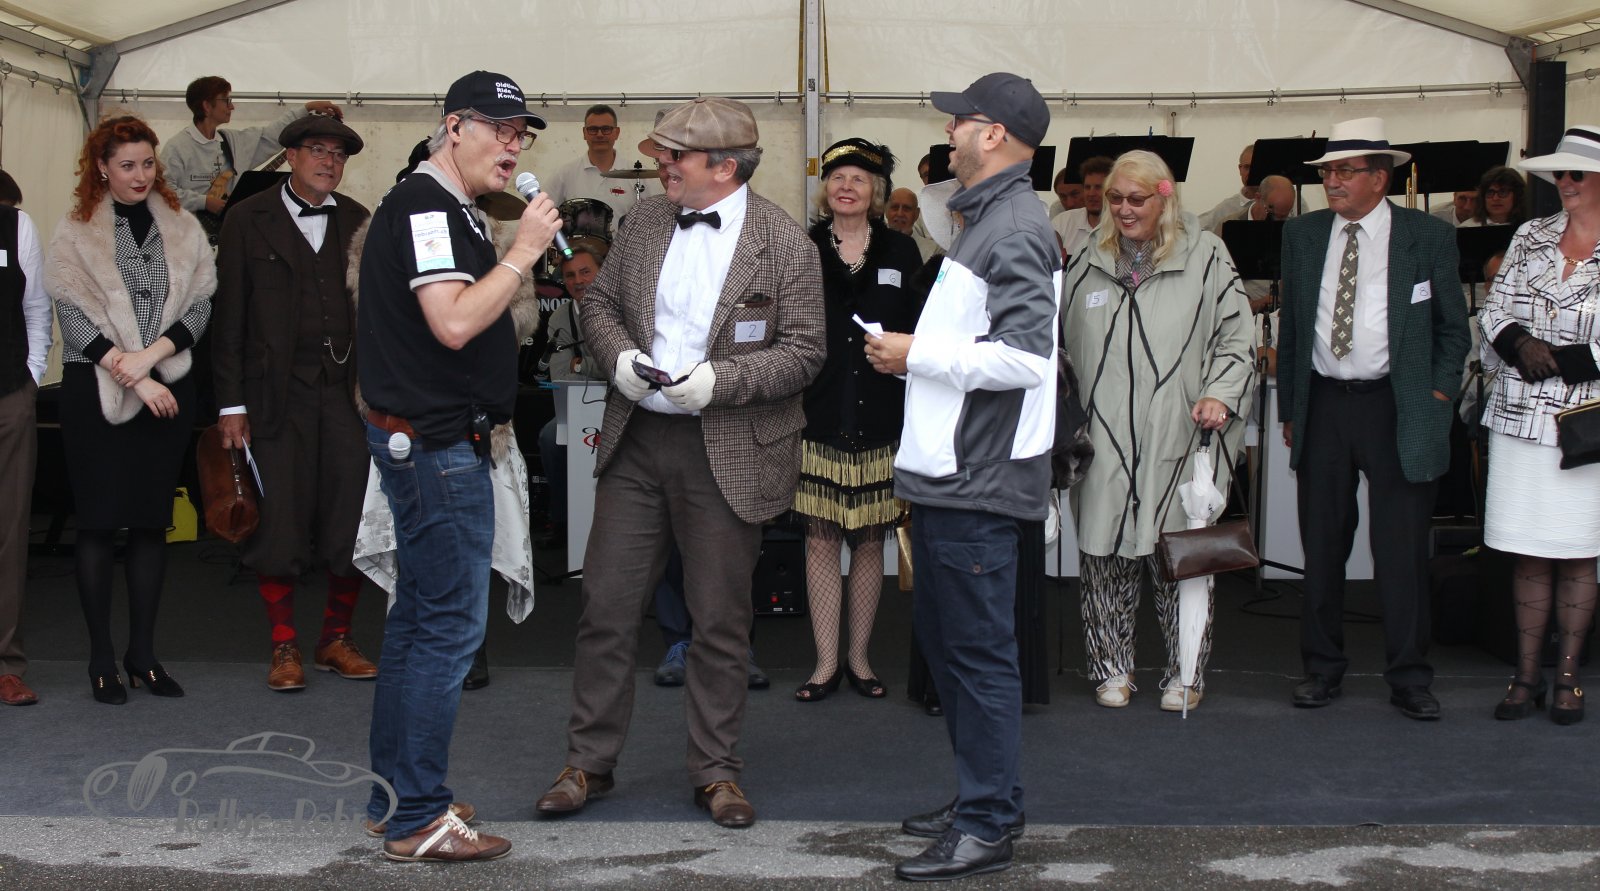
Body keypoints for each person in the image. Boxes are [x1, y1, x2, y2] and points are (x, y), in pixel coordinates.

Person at [534, 96, 824, 830]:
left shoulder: (785, 243)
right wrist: (619, 359)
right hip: (638, 441)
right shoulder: (644, 222)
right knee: (605, 607)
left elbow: (805, 352)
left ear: (724, 167)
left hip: (728, 448)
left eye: (674, 156)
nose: (660, 165)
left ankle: (717, 772)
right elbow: (599, 305)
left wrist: (721, 381)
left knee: (721, 620)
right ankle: (587, 762)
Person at [355, 70, 560, 863]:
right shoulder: (427, 208)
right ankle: (417, 817)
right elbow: (451, 322)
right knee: (446, 628)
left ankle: (396, 797)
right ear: (454, 128)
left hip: (434, 440)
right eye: (500, 130)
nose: (514, 146)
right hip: (437, 447)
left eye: (521, 134)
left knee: (417, 622)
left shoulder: (447, 208)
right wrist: (525, 251)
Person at [865, 72, 1059, 882]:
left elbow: (1026, 357)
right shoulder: (993, 218)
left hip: (975, 479)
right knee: (956, 656)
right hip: (956, 475)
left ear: (996, 135)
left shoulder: (1011, 225)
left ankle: (986, 821)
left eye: (960, 121)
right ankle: (985, 800)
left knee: (976, 659)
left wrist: (917, 354)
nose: (948, 132)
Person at [1277, 117, 1469, 720]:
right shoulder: (1303, 234)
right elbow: (1292, 329)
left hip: (1399, 405)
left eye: (1344, 171)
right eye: (1327, 171)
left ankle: (1409, 676)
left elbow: (1453, 328)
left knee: (1401, 548)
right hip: (1324, 403)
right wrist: (1291, 408)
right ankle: (1321, 668)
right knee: (1323, 544)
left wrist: (1438, 395)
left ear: (1380, 178)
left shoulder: (1426, 236)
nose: (1331, 181)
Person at [1062, 150, 1255, 712]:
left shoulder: (1208, 255)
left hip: (1179, 430)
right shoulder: (1087, 259)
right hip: (1104, 435)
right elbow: (1063, 346)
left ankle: (1185, 673)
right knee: (1103, 551)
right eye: (1114, 199)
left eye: (1136, 199)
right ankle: (1110, 668)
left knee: (1182, 554)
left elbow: (1237, 338)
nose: (1124, 210)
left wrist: (1221, 392)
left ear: (1164, 198)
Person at [45, 115, 216, 704]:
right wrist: (133, 375)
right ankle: (101, 659)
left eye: (147, 163)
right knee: (97, 524)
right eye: (126, 165)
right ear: (101, 168)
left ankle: (143, 655)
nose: (140, 175)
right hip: (96, 392)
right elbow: (72, 315)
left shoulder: (184, 226)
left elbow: (200, 306)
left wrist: (151, 360)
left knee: (149, 523)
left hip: (167, 387)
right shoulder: (74, 230)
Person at [212, 115, 376, 692]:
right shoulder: (246, 219)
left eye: (338, 154)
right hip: (273, 396)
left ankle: (336, 638)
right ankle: (283, 644)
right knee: (279, 521)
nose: (329, 162)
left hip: (346, 394)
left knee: (350, 516)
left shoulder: (358, 220)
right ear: (290, 157)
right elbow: (228, 318)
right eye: (317, 150)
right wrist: (230, 405)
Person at [792, 138, 923, 703]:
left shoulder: (902, 251)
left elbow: (921, 332)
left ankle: (860, 660)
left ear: (877, 193)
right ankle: (825, 664)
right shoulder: (802, 247)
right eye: (838, 176)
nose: (847, 186)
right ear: (826, 188)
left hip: (881, 415)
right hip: (818, 414)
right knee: (821, 541)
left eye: (859, 179)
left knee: (870, 541)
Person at [1479, 126, 1600, 726]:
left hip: (1586, 425)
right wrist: (1519, 343)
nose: (1564, 183)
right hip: (1520, 419)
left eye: (1576, 173)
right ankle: (1525, 676)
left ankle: (1568, 678)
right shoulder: (1530, 234)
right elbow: (1493, 309)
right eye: (1559, 173)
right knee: (1528, 551)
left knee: (1577, 551)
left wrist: (1555, 360)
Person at [161, 75, 341, 234]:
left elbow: (271, 135)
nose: (232, 106)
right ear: (207, 106)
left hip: (228, 233)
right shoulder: (177, 147)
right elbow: (162, 191)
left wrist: (306, 109)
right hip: (187, 237)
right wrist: (204, 202)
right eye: (226, 100)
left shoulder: (232, 141)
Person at [0, 172, 48, 706]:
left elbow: (36, 308)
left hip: (8, 395)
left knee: (10, 532)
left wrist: (31, 380)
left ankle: (5, 664)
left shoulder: (16, 226)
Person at [537, 242, 608, 551]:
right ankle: (562, 520)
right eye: (569, 275)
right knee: (550, 437)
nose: (578, 281)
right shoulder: (560, 318)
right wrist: (601, 368)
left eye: (585, 272)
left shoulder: (623, 310)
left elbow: (625, 368)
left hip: (624, 405)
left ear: (602, 272)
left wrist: (581, 364)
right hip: (579, 406)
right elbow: (560, 376)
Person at [545, 104, 661, 224]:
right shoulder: (564, 175)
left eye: (606, 129)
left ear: (617, 132)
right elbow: (543, 214)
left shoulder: (640, 175)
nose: (599, 135)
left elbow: (659, 213)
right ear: (584, 133)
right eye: (593, 129)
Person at [1052, 155, 1111, 262]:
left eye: (1099, 187)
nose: (1091, 193)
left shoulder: (1124, 226)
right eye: (1087, 187)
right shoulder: (1061, 223)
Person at [1198, 143, 1261, 232]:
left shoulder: (1276, 204)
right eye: (1247, 167)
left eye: (1256, 168)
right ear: (1240, 169)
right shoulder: (1226, 208)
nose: (1251, 173)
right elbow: (1195, 226)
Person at [886, 186, 940, 261]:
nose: (900, 214)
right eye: (895, 207)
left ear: (916, 214)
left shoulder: (933, 251)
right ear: (886, 211)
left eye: (906, 209)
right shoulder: (873, 244)